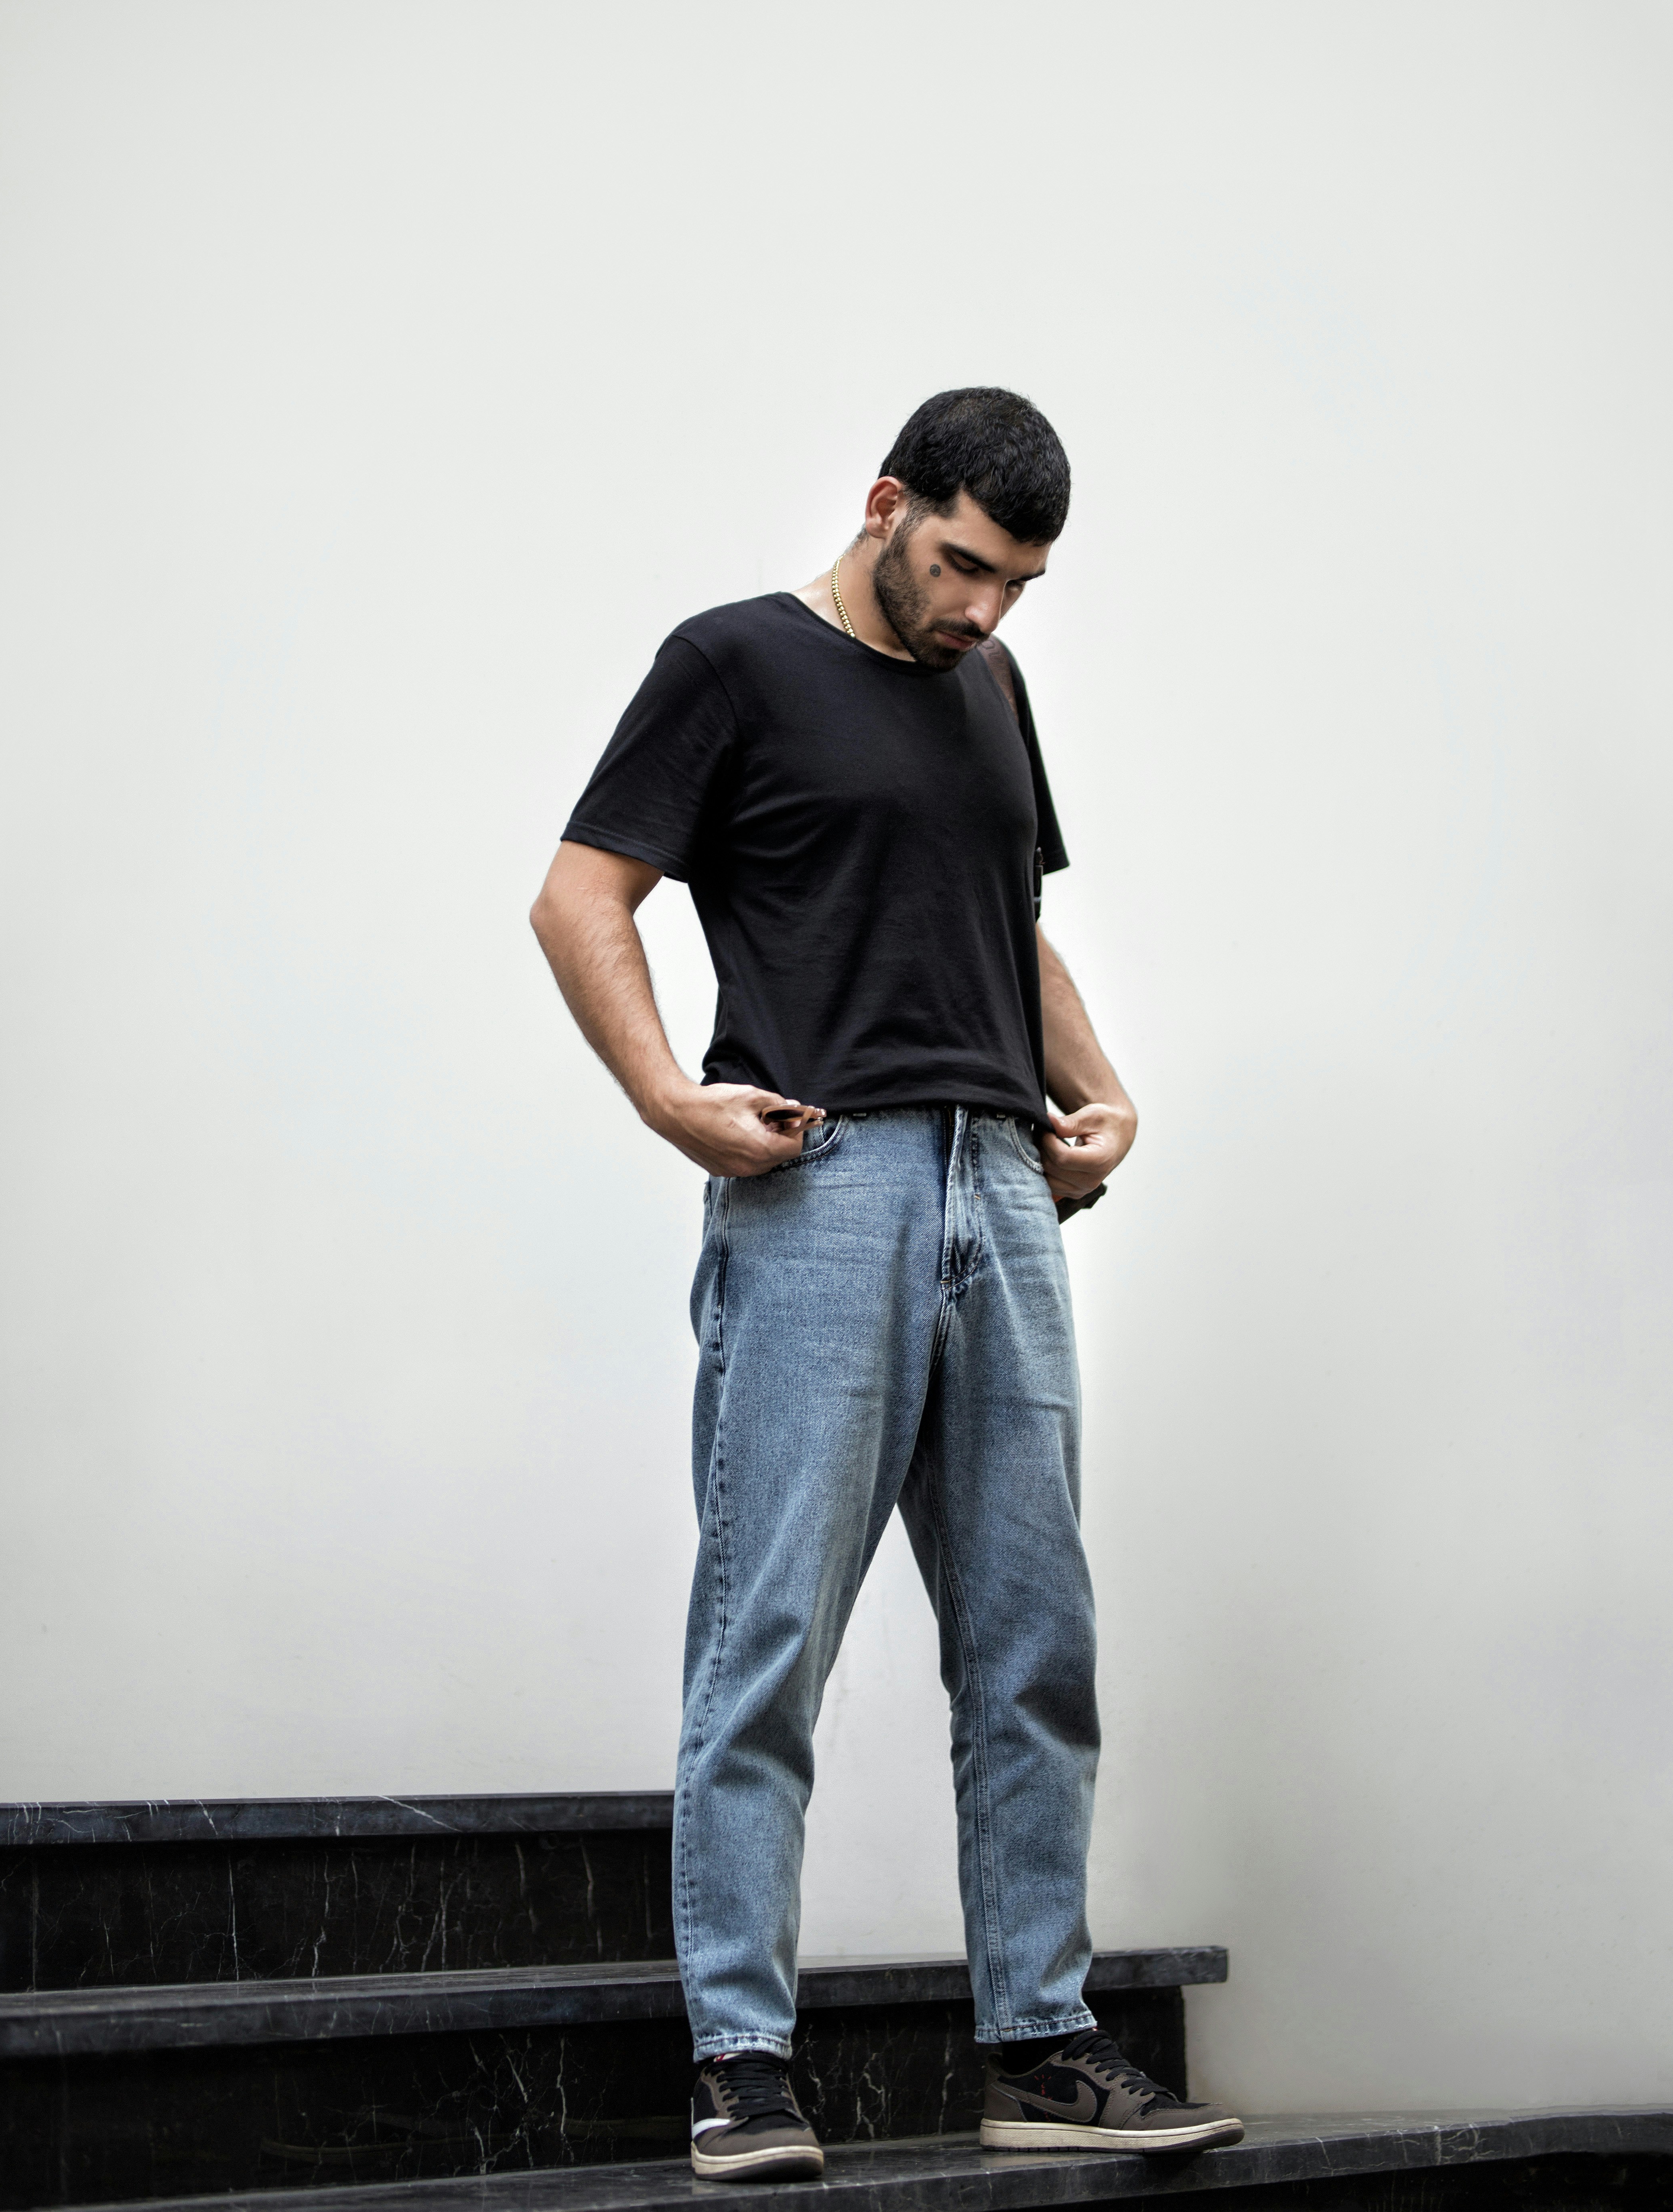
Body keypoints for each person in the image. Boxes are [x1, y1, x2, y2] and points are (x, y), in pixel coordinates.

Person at [530, 388, 1243, 2180]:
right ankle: (744, 2060)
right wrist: (671, 1101)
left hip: (1003, 1187)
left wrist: (1104, 1085)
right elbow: (578, 894)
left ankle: (1041, 2039)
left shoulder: (991, 692)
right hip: (829, 1179)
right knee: (769, 1629)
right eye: (963, 564)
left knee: (1034, 1639)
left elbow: (1007, 917)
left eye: (1019, 583)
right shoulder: (734, 664)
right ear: (883, 504)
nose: (986, 610)